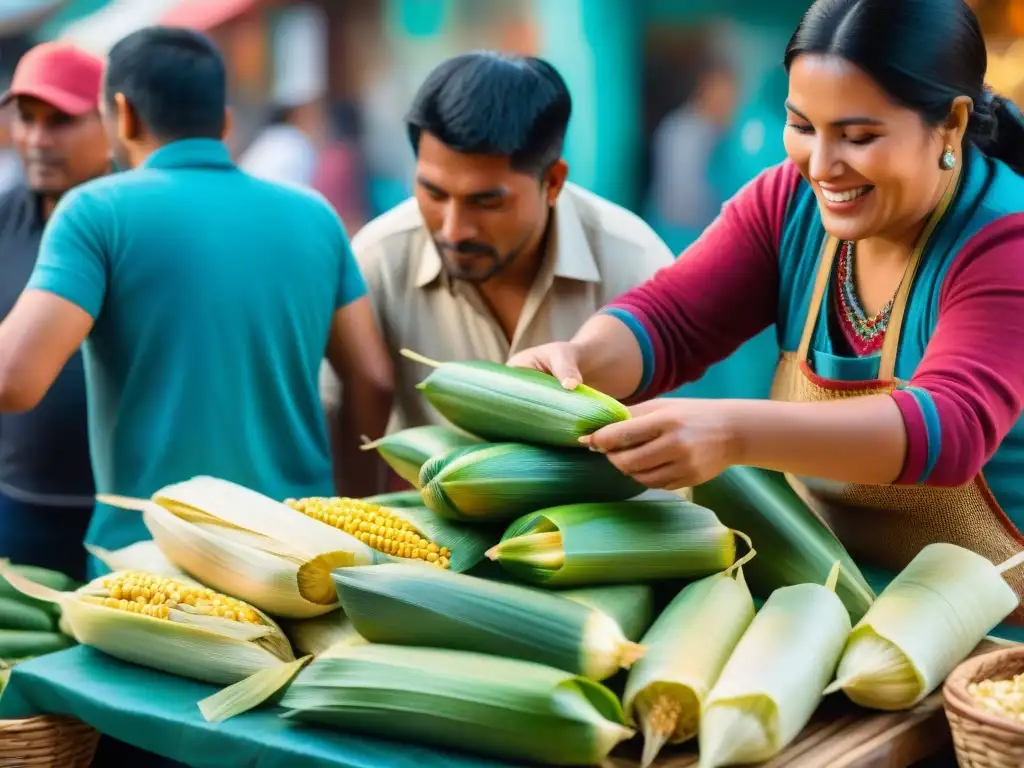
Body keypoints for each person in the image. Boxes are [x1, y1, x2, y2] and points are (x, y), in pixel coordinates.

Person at [510, 0, 1024, 640]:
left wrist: (730, 431)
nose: (823, 165)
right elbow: (669, 321)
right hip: (832, 613)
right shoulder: (790, 202)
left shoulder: (1005, 239)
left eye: (859, 137)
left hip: (991, 647)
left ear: (950, 122)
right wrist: (579, 361)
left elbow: (949, 429)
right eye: (802, 125)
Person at [0, 26, 393, 580]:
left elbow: (14, 379)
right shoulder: (315, 216)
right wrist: (350, 515)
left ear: (123, 114)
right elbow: (374, 380)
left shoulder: (96, 212)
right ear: (224, 121)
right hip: (304, 562)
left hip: (154, 569)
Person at [322, 51, 674, 447]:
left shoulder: (634, 262)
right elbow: (339, 419)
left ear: (553, 182)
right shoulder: (380, 260)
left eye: (486, 202)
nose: (454, 229)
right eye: (433, 192)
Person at [0, 42, 109, 580]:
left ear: (114, 119)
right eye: (27, 119)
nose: (38, 140)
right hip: (18, 503)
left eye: (61, 120)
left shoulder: (132, 219)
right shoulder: (4, 218)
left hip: (124, 512)